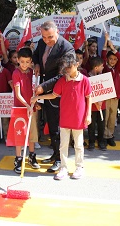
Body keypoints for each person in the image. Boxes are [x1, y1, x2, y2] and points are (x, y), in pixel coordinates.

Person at [31, 54, 92, 180]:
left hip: (79, 117)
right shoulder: (63, 80)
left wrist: (88, 114)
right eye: (66, 68)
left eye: (70, 67)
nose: (68, 71)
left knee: (79, 145)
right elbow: (54, 95)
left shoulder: (85, 80)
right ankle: (63, 167)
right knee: (63, 145)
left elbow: (89, 97)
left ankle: (79, 167)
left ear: (77, 65)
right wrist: (38, 97)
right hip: (65, 117)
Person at [32, 21, 75, 173]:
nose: (47, 40)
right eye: (44, 37)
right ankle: (55, 153)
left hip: (58, 92)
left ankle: (59, 159)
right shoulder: (41, 42)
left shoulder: (66, 48)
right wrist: (37, 64)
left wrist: (43, 87)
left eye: (50, 37)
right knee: (51, 124)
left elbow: (62, 75)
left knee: (57, 127)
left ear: (57, 32)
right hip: (44, 91)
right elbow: (36, 54)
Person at [11, 47, 40, 173]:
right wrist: (27, 106)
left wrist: (36, 103)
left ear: (31, 61)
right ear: (18, 60)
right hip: (20, 108)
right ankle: (18, 158)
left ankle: (32, 156)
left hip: (32, 107)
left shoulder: (32, 72)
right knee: (20, 134)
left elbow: (35, 90)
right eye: (22, 61)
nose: (24, 64)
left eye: (27, 62)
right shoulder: (16, 73)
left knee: (32, 133)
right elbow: (18, 94)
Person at [102, 33, 120, 146]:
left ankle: (110, 135)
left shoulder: (118, 68)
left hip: (115, 96)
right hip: (106, 96)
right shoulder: (105, 68)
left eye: (114, 60)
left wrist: (113, 48)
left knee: (112, 116)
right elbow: (102, 55)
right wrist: (106, 41)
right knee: (105, 116)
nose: (113, 61)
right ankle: (104, 135)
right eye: (111, 59)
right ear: (107, 60)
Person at [87, 56, 106, 151]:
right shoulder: (87, 78)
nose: (103, 67)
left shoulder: (103, 77)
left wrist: (101, 101)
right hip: (91, 106)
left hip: (102, 105)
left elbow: (105, 90)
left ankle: (101, 141)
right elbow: (87, 93)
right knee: (91, 125)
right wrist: (95, 102)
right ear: (96, 68)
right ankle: (91, 141)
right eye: (101, 66)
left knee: (101, 124)